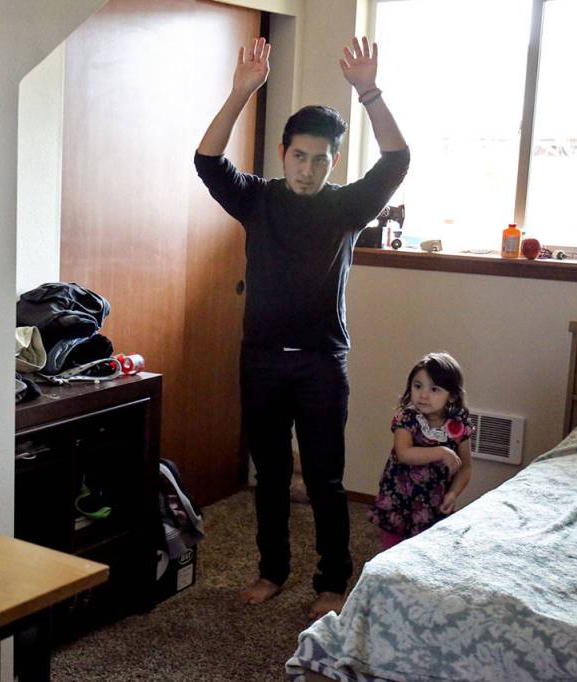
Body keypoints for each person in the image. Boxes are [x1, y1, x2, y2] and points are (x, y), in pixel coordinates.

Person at [194, 36, 409, 619]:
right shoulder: (258, 200)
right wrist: (241, 93)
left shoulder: (345, 207)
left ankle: (332, 580)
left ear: (333, 161)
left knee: (323, 479)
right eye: (299, 156)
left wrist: (368, 90)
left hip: (320, 363)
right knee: (268, 476)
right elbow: (207, 162)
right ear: (284, 153)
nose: (309, 168)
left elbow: (397, 160)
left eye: (320, 159)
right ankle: (272, 571)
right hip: (261, 358)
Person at [368, 352, 474, 549]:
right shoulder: (408, 418)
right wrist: (440, 452)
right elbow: (404, 453)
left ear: (451, 395)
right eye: (418, 386)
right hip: (399, 499)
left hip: (435, 502)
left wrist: (453, 494)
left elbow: (465, 467)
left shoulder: (458, 426)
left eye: (434, 389)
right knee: (394, 550)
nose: (424, 395)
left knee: (429, 549)